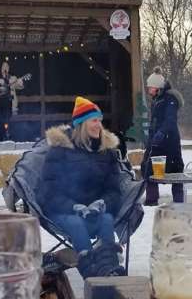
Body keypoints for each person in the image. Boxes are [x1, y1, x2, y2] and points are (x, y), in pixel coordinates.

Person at [36, 96, 125, 278]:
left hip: (94, 211)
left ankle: (110, 268)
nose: (99, 125)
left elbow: (114, 190)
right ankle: (91, 272)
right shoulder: (60, 150)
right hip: (62, 211)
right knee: (76, 223)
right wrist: (74, 207)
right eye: (94, 120)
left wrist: (102, 203)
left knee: (107, 219)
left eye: (99, 120)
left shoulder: (106, 152)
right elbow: (48, 192)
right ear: (82, 124)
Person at [142, 67, 185, 206]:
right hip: (156, 141)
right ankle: (151, 200)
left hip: (169, 141)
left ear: (157, 87)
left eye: (150, 87)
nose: (149, 89)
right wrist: (151, 137)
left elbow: (170, 119)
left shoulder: (170, 99)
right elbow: (155, 120)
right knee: (148, 168)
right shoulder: (156, 99)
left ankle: (178, 201)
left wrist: (162, 132)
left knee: (176, 169)